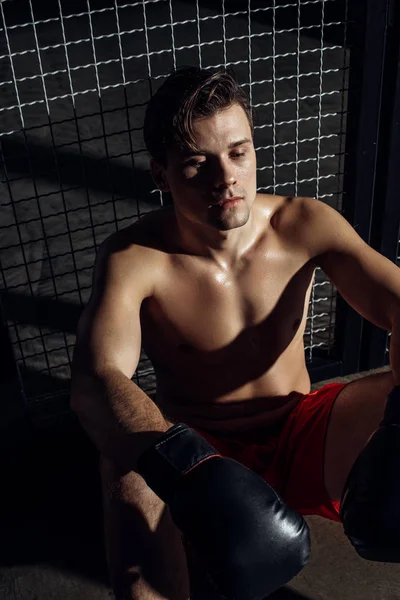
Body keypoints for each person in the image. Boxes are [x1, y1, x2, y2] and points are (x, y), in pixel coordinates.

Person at [70, 66, 400, 600]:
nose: (227, 177)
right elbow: (96, 378)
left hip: (303, 428)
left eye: (239, 152)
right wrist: (183, 467)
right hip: (199, 447)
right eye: (199, 163)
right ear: (162, 173)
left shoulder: (305, 225)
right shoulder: (133, 260)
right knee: (126, 472)